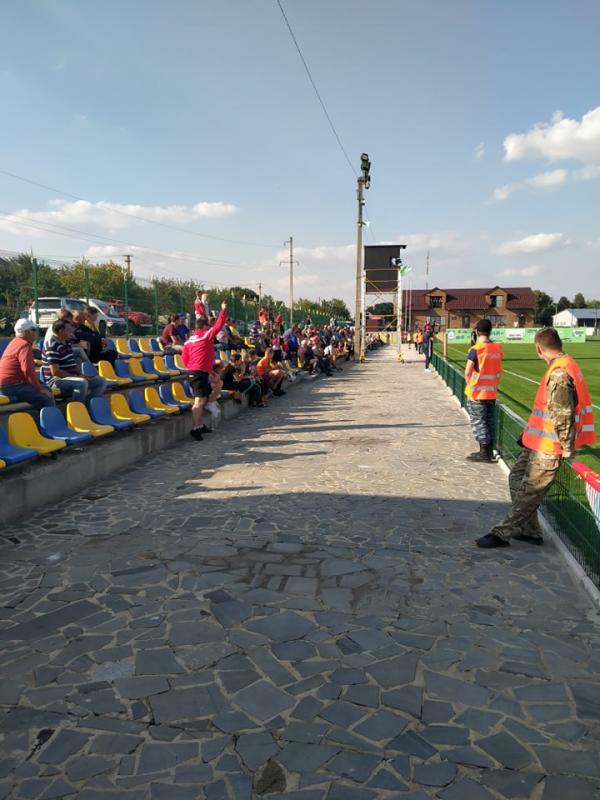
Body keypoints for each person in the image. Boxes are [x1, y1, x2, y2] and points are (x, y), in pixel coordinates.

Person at [476, 327, 596, 549]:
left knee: (529, 493)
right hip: (538, 443)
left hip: (550, 447)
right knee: (516, 478)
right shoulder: (563, 365)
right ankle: (530, 530)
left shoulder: (559, 373)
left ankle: (502, 533)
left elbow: (563, 413)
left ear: (539, 349)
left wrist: (567, 447)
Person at [181, 302, 227, 441]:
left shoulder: (189, 340)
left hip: (197, 371)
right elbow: (218, 326)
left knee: (204, 399)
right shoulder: (205, 336)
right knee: (199, 402)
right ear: (205, 326)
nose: (210, 328)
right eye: (208, 326)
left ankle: (200, 425)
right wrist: (223, 310)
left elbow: (185, 357)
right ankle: (195, 429)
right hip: (197, 373)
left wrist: (206, 370)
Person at [464, 319, 503, 462]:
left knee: (478, 422)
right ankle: (489, 451)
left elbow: (468, 372)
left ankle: (484, 453)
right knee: (490, 421)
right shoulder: (497, 348)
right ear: (490, 331)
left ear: (476, 332)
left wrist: (470, 387)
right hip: (491, 392)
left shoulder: (476, 349)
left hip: (477, 393)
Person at [42, 320, 107, 402]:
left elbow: (72, 363)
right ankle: (77, 408)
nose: (71, 332)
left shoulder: (67, 342)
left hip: (71, 377)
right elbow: (55, 372)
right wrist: (76, 377)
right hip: (56, 381)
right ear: (60, 331)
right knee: (82, 383)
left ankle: (88, 405)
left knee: (101, 381)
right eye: (68, 330)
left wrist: (80, 374)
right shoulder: (52, 345)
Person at [0, 318, 56, 409]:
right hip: (13, 386)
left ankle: (39, 418)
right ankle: (48, 422)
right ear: (26, 332)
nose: (35, 332)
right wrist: (40, 389)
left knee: (46, 389)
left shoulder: (15, 342)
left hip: (7, 385)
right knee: (46, 397)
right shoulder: (24, 345)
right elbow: (27, 370)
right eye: (33, 329)